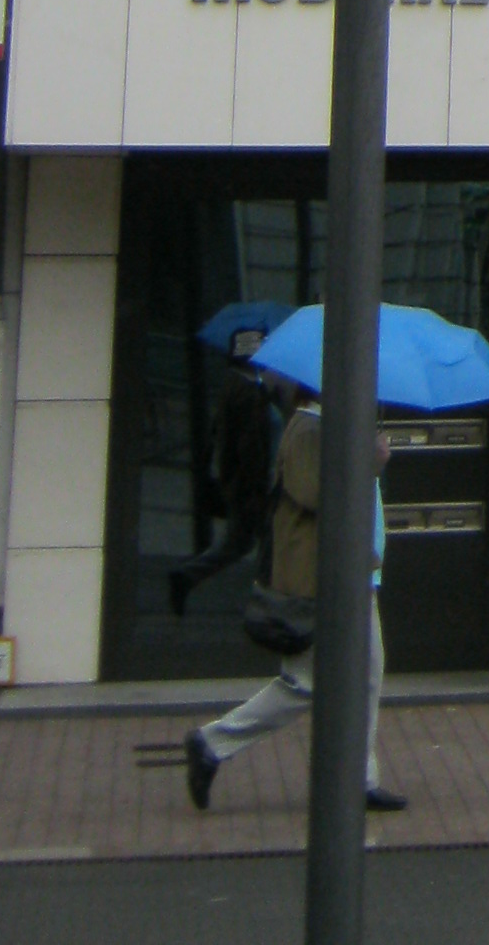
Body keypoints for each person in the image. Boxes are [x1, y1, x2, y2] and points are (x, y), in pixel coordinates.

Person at [185, 391, 402, 813]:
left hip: (356, 576)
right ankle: (212, 742)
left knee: (368, 675)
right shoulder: (307, 428)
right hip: (322, 582)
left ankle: (360, 779)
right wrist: (369, 463)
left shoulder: (339, 426)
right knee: (306, 682)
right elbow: (314, 493)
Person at [168, 327, 275, 614]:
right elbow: (250, 446)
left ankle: (187, 576)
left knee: (241, 542)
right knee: (265, 542)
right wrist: (257, 486)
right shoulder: (249, 392)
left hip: (237, 482)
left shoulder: (235, 386)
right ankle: (270, 598)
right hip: (247, 485)